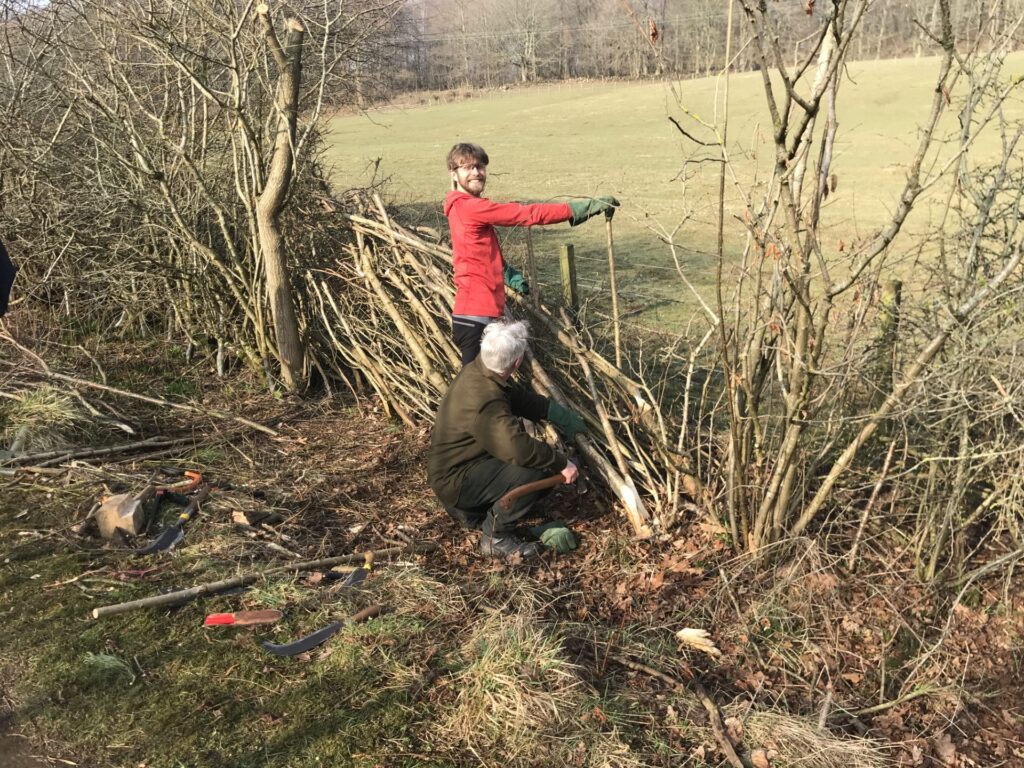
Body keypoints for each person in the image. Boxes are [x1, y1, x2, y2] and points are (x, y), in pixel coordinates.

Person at [444, 142, 618, 365]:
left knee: (494, 386)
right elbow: (526, 214)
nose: (476, 172)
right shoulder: (469, 207)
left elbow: (474, 252)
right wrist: (578, 209)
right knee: (475, 392)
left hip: (479, 313)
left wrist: (507, 274)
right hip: (475, 316)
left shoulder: (462, 207)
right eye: (467, 167)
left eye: (480, 166)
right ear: (454, 173)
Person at [427, 320, 587, 559]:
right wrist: (562, 463)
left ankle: (486, 512)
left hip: (461, 471)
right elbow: (519, 449)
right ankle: (496, 537)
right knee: (539, 469)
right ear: (517, 362)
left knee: (540, 464)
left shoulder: (479, 370)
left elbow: (514, 398)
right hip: (458, 484)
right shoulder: (485, 400)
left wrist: (555, 413)